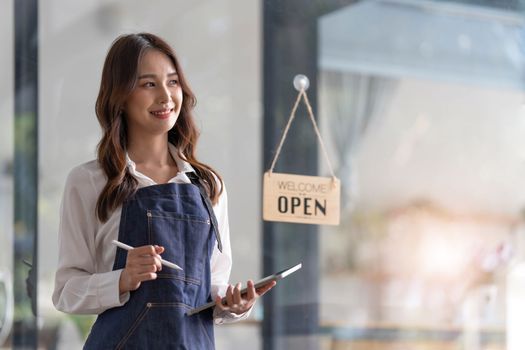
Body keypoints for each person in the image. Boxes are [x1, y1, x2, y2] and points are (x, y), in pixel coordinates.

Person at [52, 32, 275, 349]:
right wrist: (123, 279)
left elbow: (212, 286)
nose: (166, 96)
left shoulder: (208, 185)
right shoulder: (89, 181)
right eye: (148, 84)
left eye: (172, 82)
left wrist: (232, 306)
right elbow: (65, 292)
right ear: (121, 96)